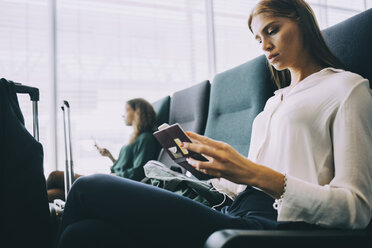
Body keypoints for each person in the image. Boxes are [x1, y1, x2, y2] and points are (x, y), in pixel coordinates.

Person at [56, 1, 372, 247]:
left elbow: (355, 209)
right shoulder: (274, 102)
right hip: (234, 211)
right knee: (84, 235)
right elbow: (248, 183)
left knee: (88, 187)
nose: (264, 45)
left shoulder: (346, 89)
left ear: (302, 20)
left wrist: (250, 171)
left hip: (276, 227)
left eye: (272, 30)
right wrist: (213, 170)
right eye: (258, 38)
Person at [46, 98, 161, 202]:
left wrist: (114, 176)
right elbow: (125, 167)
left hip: (113, 183)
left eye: (127, 110)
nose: (123, 115)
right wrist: (110, 157)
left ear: (137, 113)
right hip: (112, 180)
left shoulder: (146, 138)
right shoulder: (136, 138)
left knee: (54, 176)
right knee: (54, 194)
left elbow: (139, 172)